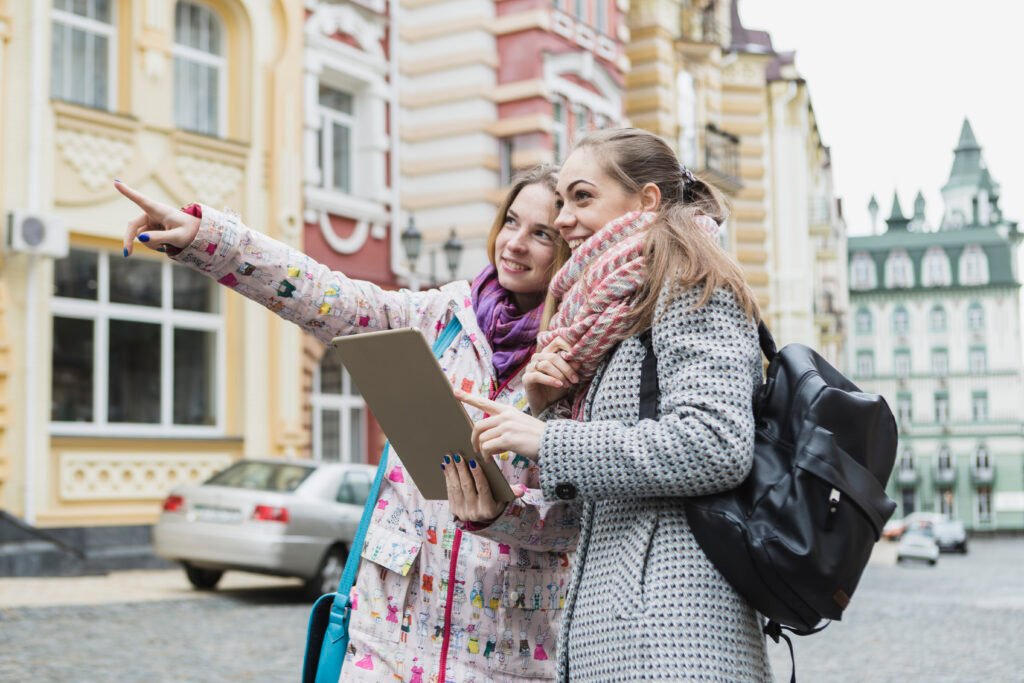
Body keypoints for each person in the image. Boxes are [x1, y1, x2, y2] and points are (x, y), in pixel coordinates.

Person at [115, 165, 580, 682]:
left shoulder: (583, 355)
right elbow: (328, 296)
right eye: (511, 221)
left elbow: (589, 515)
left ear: (570, 246)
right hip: (385, 638)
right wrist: (211, 239)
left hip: (508, 652)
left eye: (541, 234)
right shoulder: (443, 315)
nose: (514, 244)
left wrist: (504, 515)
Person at [447, 128, 773, 681]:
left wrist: (549, 440)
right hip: (619, 629)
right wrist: (547, 405)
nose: (566, 218)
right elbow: (610, 472)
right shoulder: (611, 308)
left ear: (646, 200)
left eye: (581, 197)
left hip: (678, 636)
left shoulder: (693, 282)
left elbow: (717, 442)